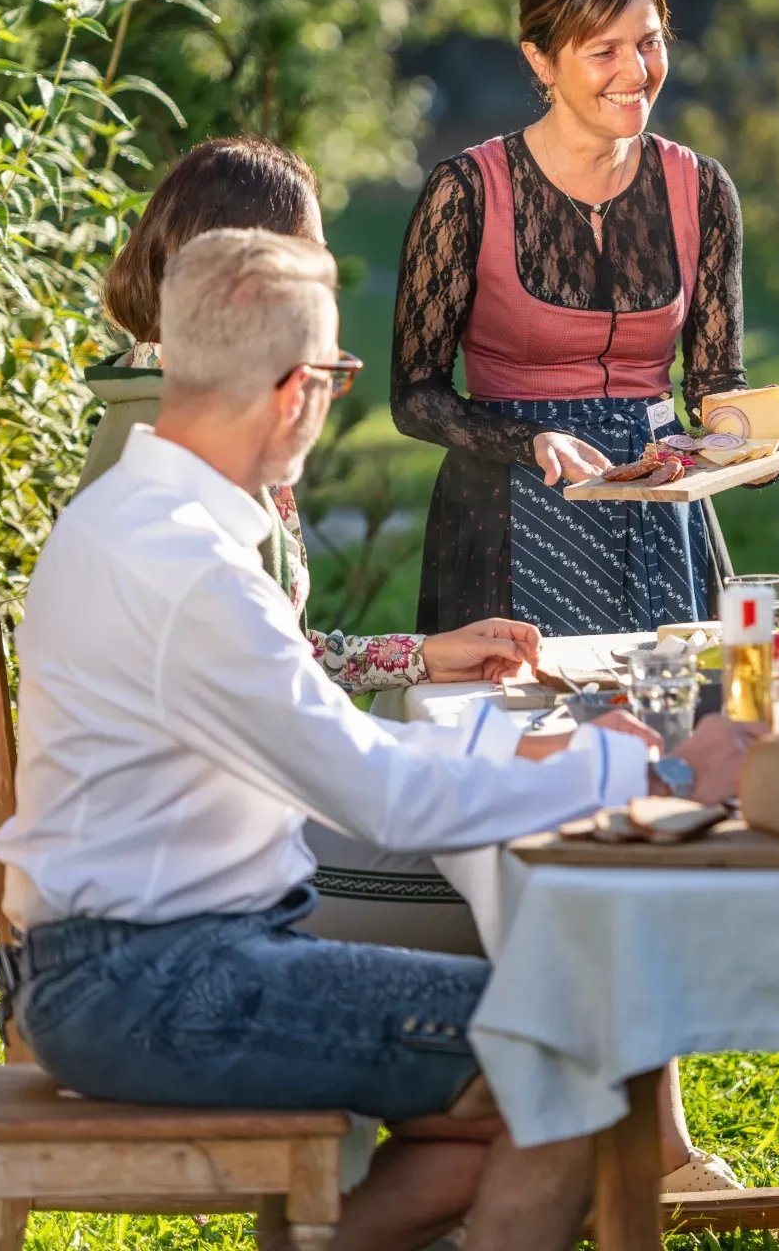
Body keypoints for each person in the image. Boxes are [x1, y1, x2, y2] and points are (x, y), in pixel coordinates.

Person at [0, 228, 758, 1251]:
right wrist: (654, 764)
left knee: (508, 1103)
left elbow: (328, 746)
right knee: (576, 1052)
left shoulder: (128, 519)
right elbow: (379, 796)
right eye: (339, 373)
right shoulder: (194, 571)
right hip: (160, 982)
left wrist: (536, 763)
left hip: (123, 963)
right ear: (299, 386)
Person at [77, 134, 527, 958]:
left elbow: (270, 658)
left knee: (504, 821)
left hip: (220, 823)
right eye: (313, 254)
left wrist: (419, 657)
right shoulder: (181, 457)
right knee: (533, 875)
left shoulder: (168, 408)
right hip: (206, 869)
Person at [392, 0, 750, 641]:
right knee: (524, 730)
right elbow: (415, 398)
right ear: (542, 60)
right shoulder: (467, 190)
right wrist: (530, 440)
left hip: (660, 508)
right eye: (604, 51)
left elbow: (715, 381)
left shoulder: (703, 188)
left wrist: (756, 434)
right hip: (508, 505)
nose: (636, 70)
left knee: (674, 726)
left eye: (650, 42)